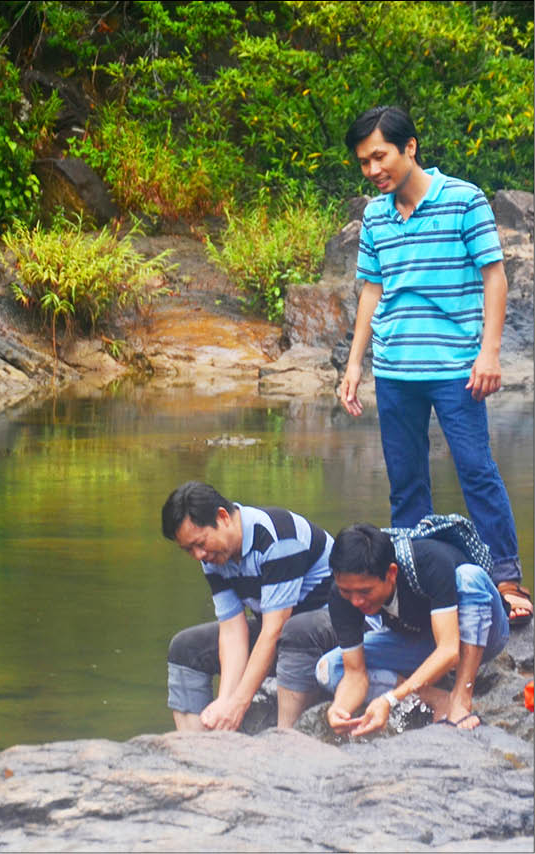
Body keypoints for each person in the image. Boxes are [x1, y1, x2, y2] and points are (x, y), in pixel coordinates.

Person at [337, 104, 531, 627]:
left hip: (454, 366)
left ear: (409, 148)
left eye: (380, 156)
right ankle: (416, 574)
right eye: (363, 162)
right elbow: (372, 290)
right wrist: (355, 365)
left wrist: (489, 352)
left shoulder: (464, 200)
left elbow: (495, 278)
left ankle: (506, 577)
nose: (373, 169)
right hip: (396, 368)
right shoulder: (376, 216)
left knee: (476, 470)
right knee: (406, 480)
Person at [160, 481, 335, 731]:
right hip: (284, 634)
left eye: (200, 544)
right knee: (186, 648)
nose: (198, 556)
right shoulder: (214, 556)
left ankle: (285, 739)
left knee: (295, 631)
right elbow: (232, 631)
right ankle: (196, 747)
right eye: (189, 549)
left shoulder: (277, 538)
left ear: (223, 517)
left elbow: (274, 630)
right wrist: (225, 702)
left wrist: (239, 704)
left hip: (331, 633)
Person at [318, 523, 508, 734]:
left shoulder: (428, 562)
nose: (356, 601)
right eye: (347, 591)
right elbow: (355, 673)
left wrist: (391, 699)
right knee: (329, 668)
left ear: (391, 573)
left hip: (481, 633)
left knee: (469, 577)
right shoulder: (341, 596)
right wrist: (340, 708)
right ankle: (437, 697)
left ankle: (461, 697)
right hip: (422, 641)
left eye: (365, 591)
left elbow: (449, 651)